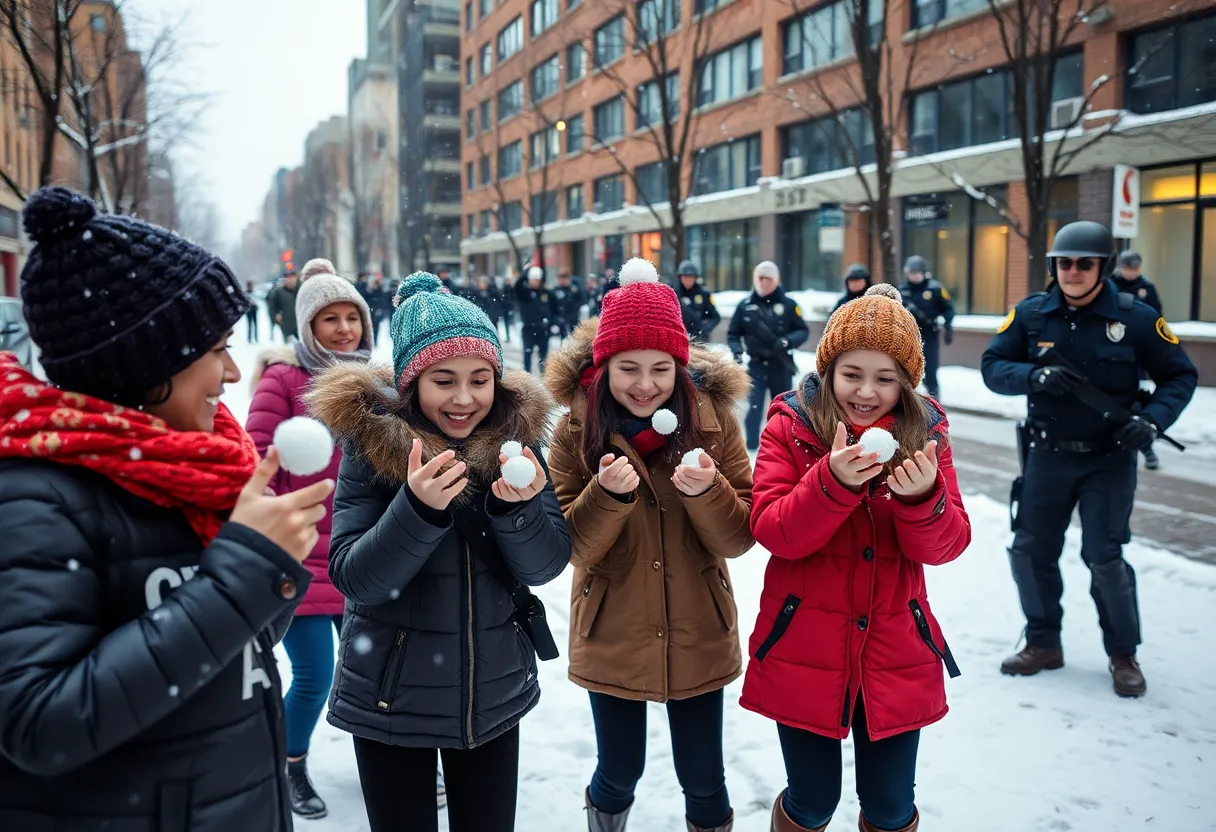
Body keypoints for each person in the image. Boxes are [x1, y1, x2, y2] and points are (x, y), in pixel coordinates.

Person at [0, 187, 332, 831]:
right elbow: (38, 723)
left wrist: (272, 566)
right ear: (145, 364)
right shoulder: (33, 497)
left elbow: (241, 644)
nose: (234, 373)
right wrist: (241, 573)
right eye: (215, 350)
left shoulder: (196, 471)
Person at [309, 272, 572, 832]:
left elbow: (546, 565)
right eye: (443, 379)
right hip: (389, 700)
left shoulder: (516, 446)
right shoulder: (373, 450)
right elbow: (356, 578)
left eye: (480, 379)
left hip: (492, 695)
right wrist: (419, 509)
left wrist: (515, 511)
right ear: (411, 384)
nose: (463, 398)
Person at [742, 282, 970, 832]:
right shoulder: (791, 429)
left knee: (891, 809)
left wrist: (921, 499)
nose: (866, 391)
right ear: (828, 370)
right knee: (813, 802)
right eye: (852, 374)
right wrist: (832, 483)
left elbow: (949, 543)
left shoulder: (926, 436)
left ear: (906, 383)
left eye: (885, 378)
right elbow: (774, 531)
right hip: (806, 645)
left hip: (895, 647)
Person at [545, 259, 754, 832]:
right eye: (627, 367)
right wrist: (605, 495)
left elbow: (738, 539)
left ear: (681, 368)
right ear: (603, 366)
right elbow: (570, 547)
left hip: (698, 626)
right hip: (613, 627)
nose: (644, 384)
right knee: (618, 771)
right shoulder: (574, 429)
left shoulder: (714, 424)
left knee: (704, 775)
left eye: (661, 368)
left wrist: (707, 490)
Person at [981, 221, 1197, 697]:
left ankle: (1123, 654)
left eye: (1084, 263)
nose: (1072, 271)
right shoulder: (1032, 315)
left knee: (1104, 556)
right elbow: (992, 367)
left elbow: (1180, 377)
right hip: (1047, 456)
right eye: (1064, 263)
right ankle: (1043, 642)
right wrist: (1033, 377)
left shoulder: (1135, 318)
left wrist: (1153, 421)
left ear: (1102, 266)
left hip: (1110, 458)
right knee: (1029, 550)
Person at [245, 262, 373, 819]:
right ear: (308, 326)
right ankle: (289, 763)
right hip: (300, 554)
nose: (344, 328)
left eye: (352, 317)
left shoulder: (374, 380)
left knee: (374, 669)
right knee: (317, 673)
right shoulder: (284, 381)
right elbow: (256, 464)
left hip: (359, 555)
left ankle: (388, 760)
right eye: (330, 318)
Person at [728, 261, 811, 451]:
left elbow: (802, 331)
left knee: (782, 409)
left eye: (768, 279)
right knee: (754, 408)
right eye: (760, 278)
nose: (764, 283)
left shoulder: (788, 305)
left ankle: (780, 446)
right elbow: (733, 333)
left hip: (780, 365)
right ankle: (751, 448)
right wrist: (737, 351)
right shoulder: (745, 306)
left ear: (776, 280)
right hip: (756, 365)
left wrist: (786, 341)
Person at [1113, 250, 1165, 470]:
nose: (1132, 272)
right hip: (1109, 352)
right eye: (1128, 268)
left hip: (1135, 355)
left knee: (1133, 405)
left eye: (1136, 268)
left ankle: (1146, 450)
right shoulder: (1109, 287)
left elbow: (1157, 319)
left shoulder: (1147, 289)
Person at [898, 256, 954, 400]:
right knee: (908, 370)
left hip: (930, 335)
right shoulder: (902, 291)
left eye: (917, 273)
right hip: (909, 336)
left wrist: (948, 326)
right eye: (911, 273)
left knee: (930, 369)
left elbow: (948, 309)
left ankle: (935, 403)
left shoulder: (935, 289)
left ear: (924, 273)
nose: (914, 276)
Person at [515, 265, 553, 373]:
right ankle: (527, 377)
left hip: (543, 330)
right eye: (533, 279)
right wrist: (524, 272)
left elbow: (554, 309)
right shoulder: (524, 293)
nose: (535, 282)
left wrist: (554, 322)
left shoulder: (546, 293)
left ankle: (543, 377)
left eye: (537, 279)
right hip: (529, 329)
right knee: (527, 355)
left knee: (543, 357)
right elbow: (517, 286)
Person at [675, 259, 721, 342]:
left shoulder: (704, 294)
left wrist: (705, 327)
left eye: (691, 277)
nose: (688, 280)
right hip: (679, 337)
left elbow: (715, 317)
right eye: (685, 277)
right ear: (680, 277)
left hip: (700, 339)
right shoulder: (674, 293)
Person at [268, 266, 301, 342]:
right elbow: (272, 306)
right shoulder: (278, 292)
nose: (290, 280)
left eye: (292, 277)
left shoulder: (301, 290)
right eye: (288, 278)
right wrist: (275, 316)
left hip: (300, 325)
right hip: (286, 324)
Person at [551, 269, 586, 339]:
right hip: (560, 319)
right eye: (561, 278)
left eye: (565, 278)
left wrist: (575, 308)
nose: (563, 280)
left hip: (572, 318)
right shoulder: (555, 290)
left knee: (574, 339)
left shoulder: (574, 289)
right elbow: (552, 305)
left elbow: (581, 300)